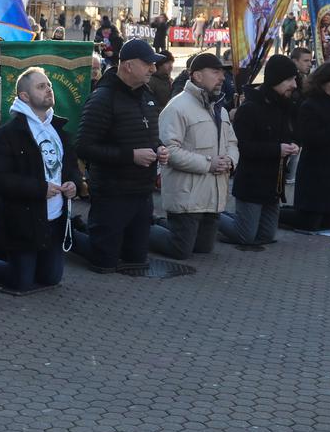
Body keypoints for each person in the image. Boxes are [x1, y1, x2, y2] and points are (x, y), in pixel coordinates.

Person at [0, 67, 78, 292]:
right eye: (41, 86)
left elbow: (69, 167)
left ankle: (14, 259)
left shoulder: (58, 130)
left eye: (49, 85)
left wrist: (73, 183)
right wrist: (39, 189)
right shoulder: (6, 134)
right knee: (20, 282)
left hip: (55, 218)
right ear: (24, 96)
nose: (49, 89)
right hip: (23, 220)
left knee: (51, 278)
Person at [71, 40, 168, 273]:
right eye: (147, 63)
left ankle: (89, 233)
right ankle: (66, 233)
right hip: (112, 191)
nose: (153, 69)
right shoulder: (102, 98)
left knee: (136, 260)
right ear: (128, 66)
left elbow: (146, 135)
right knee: (104, 262)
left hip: (142, 192)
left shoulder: (147, 95)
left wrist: (160, 149)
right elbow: (83, 147)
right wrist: (130, 156)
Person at [150, 53, 237, 259]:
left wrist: (231, 161)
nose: (222, 78)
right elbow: (169, 150)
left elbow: (232, 143)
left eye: (222, 73)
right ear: (197, 76)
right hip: (187, 196)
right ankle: (139, 229)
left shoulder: (220, 110)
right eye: (215, 72)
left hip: (213, 196)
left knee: (203, 249)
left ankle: (158, 224)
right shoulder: (177, 107)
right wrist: (208, 164)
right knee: (180, 250)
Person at [219, 54, 299, 247]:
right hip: (252, 183)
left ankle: (233, 219)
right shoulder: (250, 108)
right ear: (276, 79)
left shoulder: (284, 106)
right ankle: (210, 216)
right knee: (245, 237)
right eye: (289, 79)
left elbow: (290, 134)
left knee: (266, 236)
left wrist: (292, 145)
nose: (294, 85)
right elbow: (242, 146)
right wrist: (277, 150)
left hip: (273, 184)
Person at [287, 62, 330, 232]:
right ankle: (277, 215)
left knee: (329, 224)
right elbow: (311, 138)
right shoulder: (310, 106)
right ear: (323, 84)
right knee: (310, 223)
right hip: (317, 173)